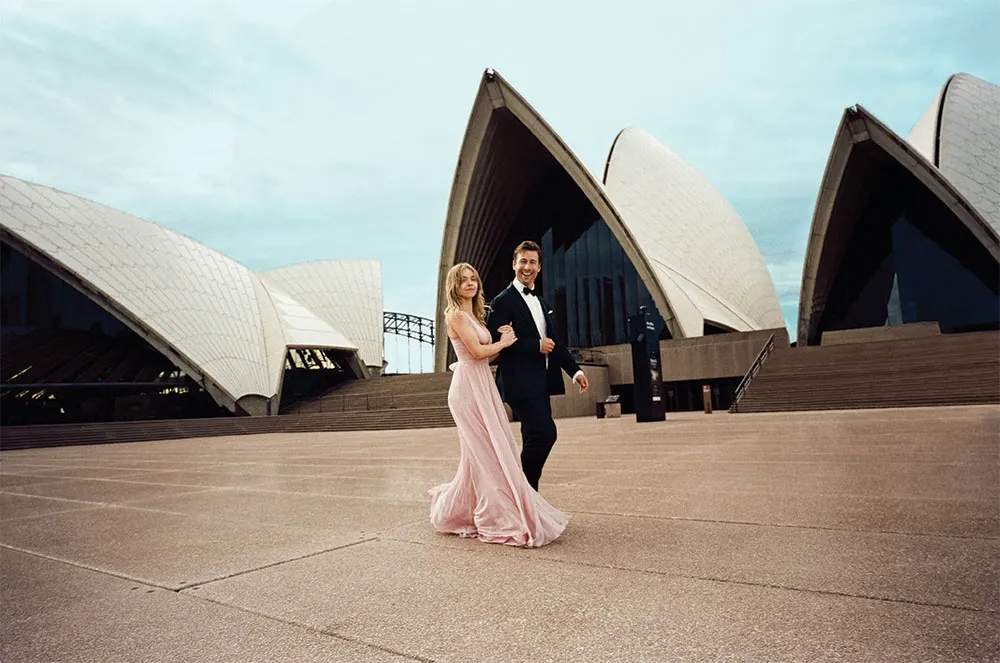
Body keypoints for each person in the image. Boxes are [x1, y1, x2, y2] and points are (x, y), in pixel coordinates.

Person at [428, 262, 568, 547]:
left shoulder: (475, 316)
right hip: (467, 390)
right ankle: (494, 517)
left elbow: (486, 357)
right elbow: (479, 352)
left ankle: (459, 508)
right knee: (486, 454)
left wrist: (508, 341)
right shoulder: (455, 315)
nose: (470, 284)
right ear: (453, 286)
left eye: (473, 279)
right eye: (463, 280)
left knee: (483, 453)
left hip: (482, 385)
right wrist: (504, 342)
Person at [487, 240, 589, 491]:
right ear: (514, 264)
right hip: (519, 382)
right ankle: (522, 491)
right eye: (523, 261)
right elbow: (496, 341)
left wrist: (575, 371)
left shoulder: (541, 302)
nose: (527, 267)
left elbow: (554, 343)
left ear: (539, 267)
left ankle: (526, 499)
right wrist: (535, 345)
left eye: (532, 262)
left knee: (533, 437)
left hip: (542, 381)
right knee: (546, 433)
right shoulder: (502, 301)